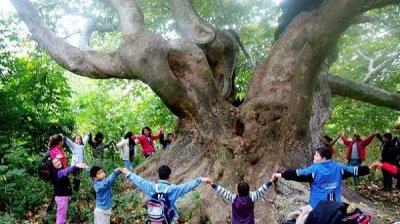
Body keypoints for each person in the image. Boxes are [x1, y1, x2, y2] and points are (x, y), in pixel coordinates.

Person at [273, 147, 370, 209]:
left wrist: (281, 174)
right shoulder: (339, 167)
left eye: (317, 156)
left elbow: (298, 174)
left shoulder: (314, 170)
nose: (314, 157)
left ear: (323, 159)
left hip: (318, 206)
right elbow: (355, 170)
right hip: (336, 206)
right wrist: (369, 168)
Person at [120, 165, 212, 223]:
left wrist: (128, 172)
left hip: (154, 218)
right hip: (168, 219)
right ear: (170, 176)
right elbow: (187, 186)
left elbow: (139, 181)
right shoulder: (174, 189)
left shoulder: (151, 187)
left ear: (158, 175)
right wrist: (201, 179)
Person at [50, 157, 86, 224]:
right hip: (61, 198)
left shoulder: (59, 170)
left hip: (63, 198)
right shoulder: (57, 173)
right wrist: (75, 166)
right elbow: (65, 171)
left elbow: (68, 171)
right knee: (61, 220)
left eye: (58, 161)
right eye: (55, 163)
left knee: (62, 217)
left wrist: (77, 167)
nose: (58, 163)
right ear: (53, 166)